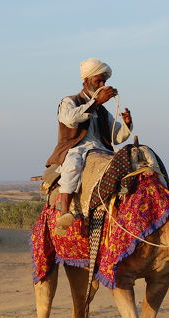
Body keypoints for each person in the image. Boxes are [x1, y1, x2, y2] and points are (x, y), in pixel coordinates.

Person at [45, 58, 133, 232]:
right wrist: (95, 103)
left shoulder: (102, 110)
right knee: (73, 166)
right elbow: (70, 119)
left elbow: (116, 136)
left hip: (101, 149)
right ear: (86, 80)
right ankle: (64, 213)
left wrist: (127, 125)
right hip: (76, 148)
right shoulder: (69, 101)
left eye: (104, 81)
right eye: (98, 80)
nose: (102, 84)